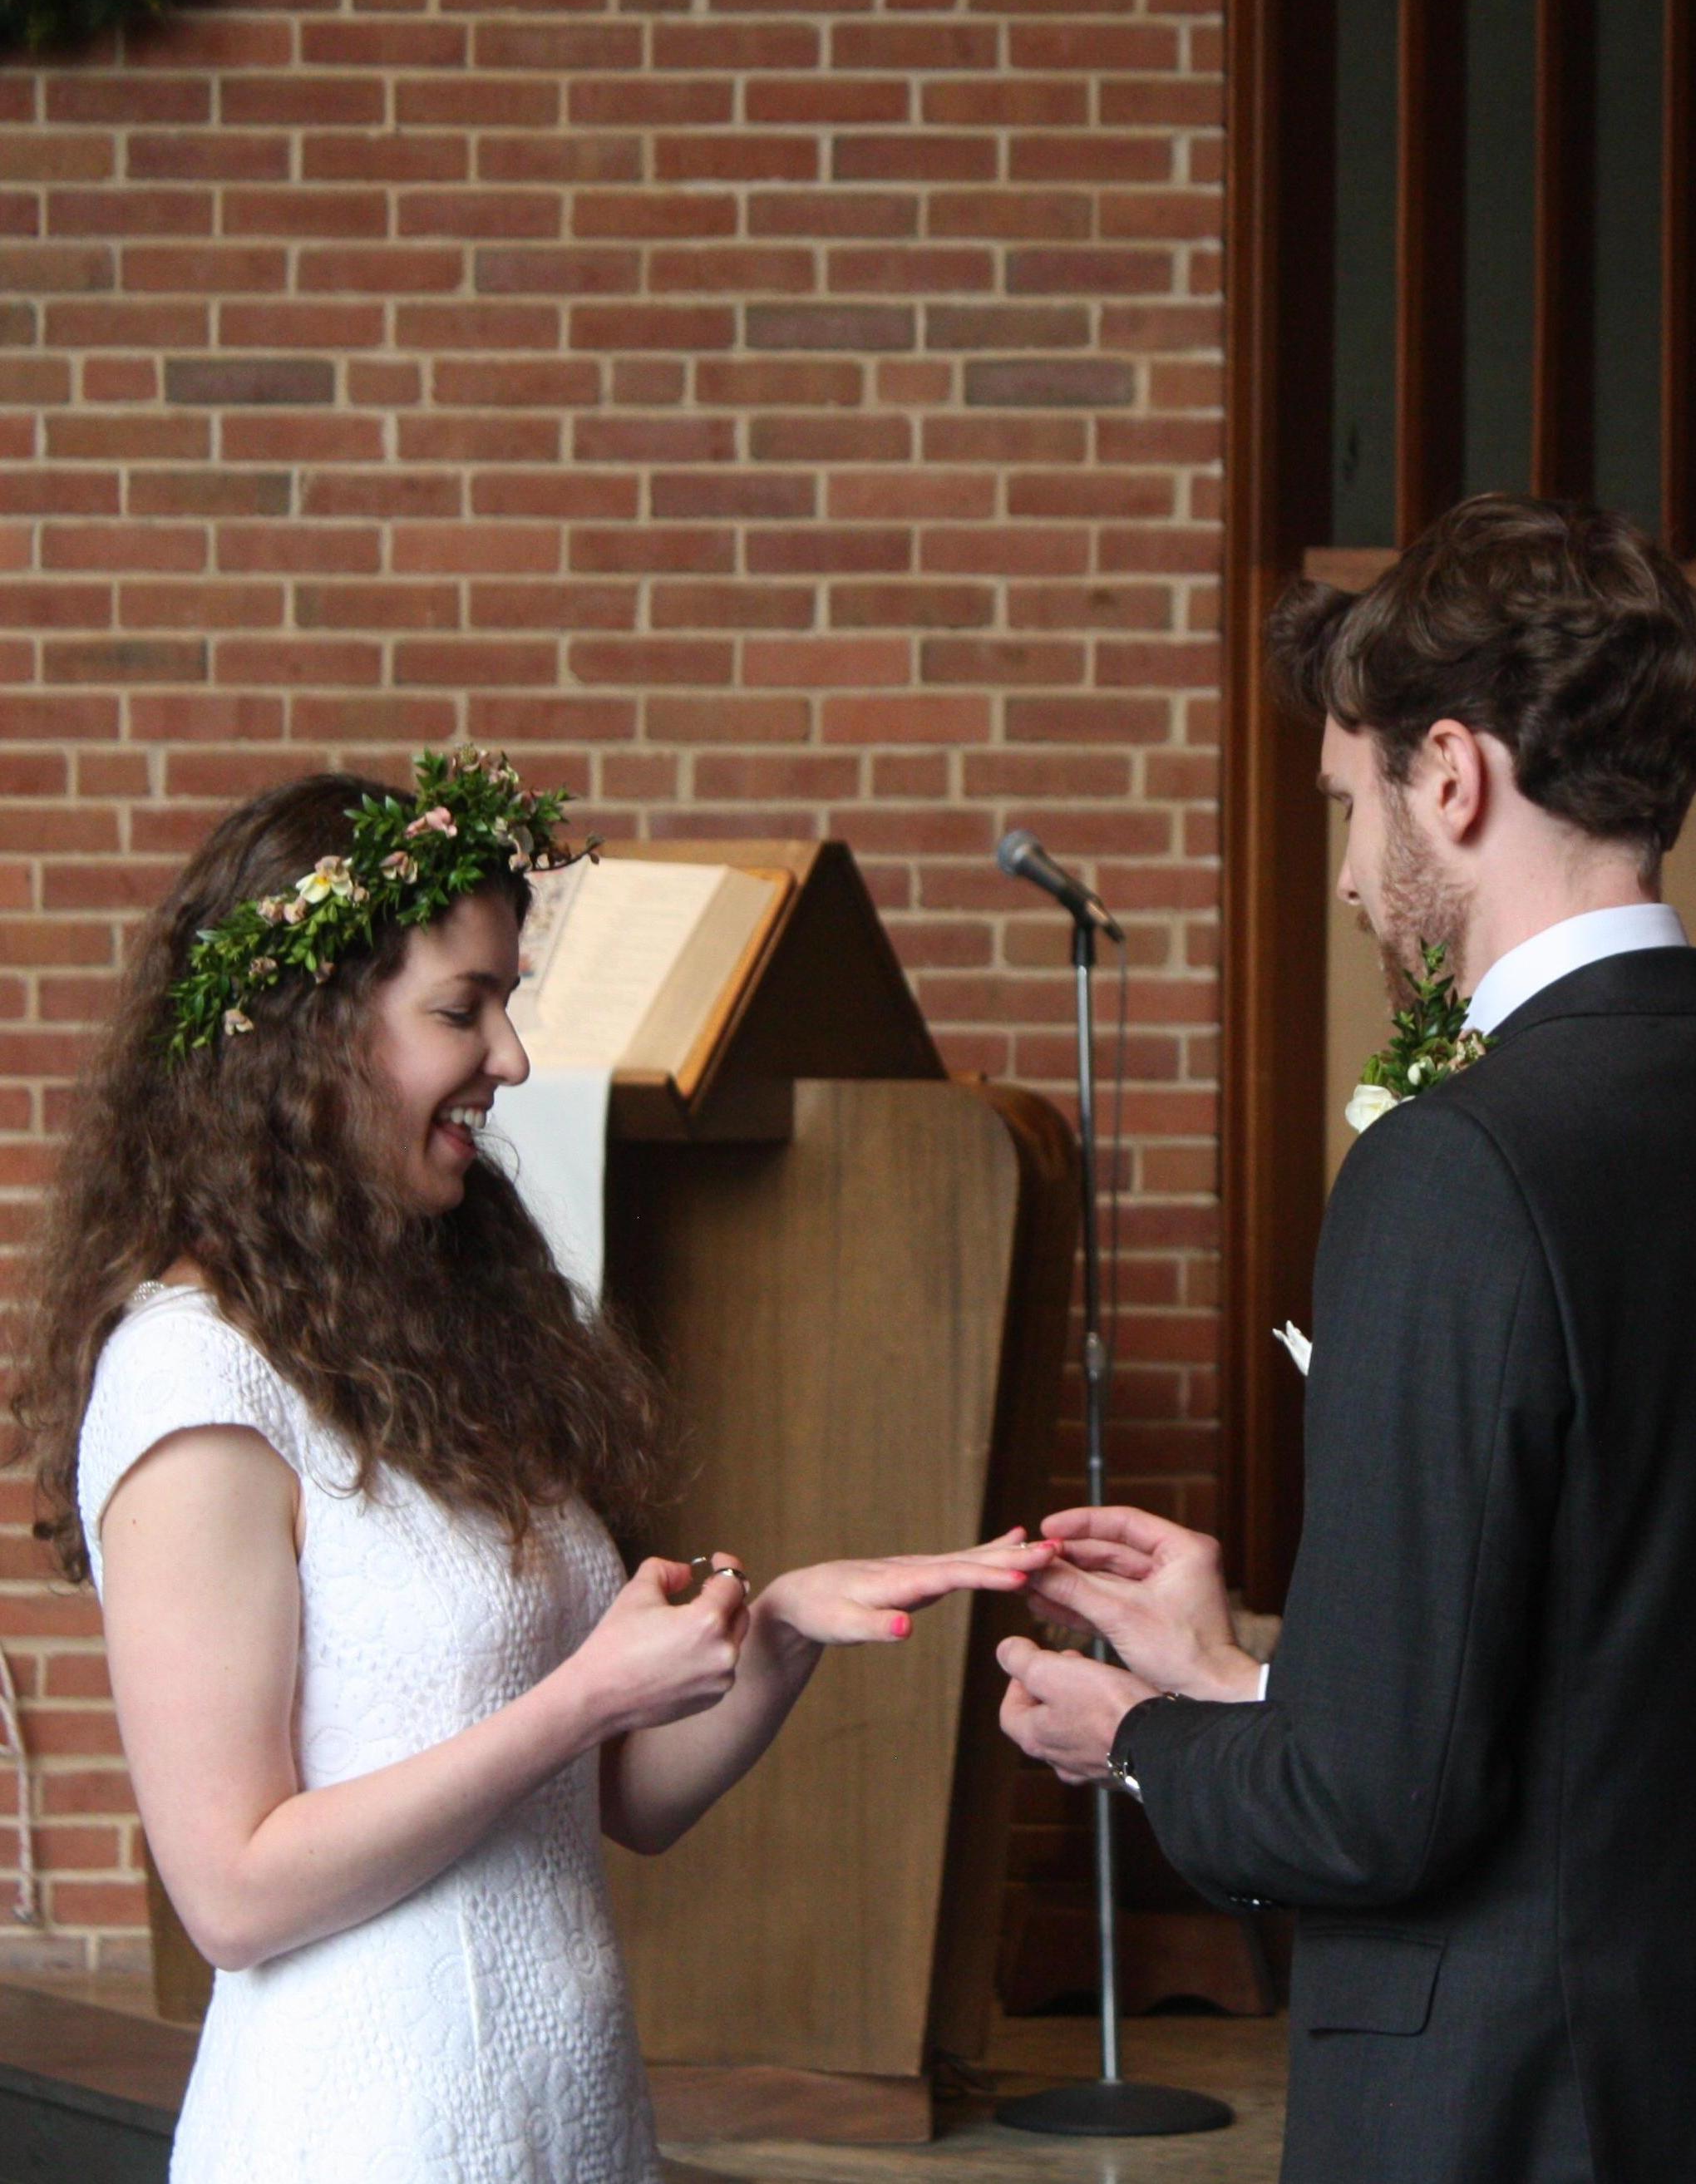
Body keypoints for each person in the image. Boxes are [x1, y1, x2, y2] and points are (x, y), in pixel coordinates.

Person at [997, 495, 1696, 2183]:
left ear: (1450, 776)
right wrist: (1237, 1670)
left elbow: (1375, 1807)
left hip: (1514, 2104)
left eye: (1347, 806)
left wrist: (1131, 1735)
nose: (1354, 875)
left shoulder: (1457, 1166)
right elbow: (1608, 1686)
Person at [6, 752, 1052, 2184]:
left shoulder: (440, 1331)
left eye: (508, 1003)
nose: (509, 1057)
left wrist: (782, 1630)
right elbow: (234, 1895)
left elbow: (625, 1801)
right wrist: (578, 1700)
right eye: (463, 1009)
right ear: (303, 1041)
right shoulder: (195, 1379)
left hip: (562, 2117)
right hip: (362, 2134)